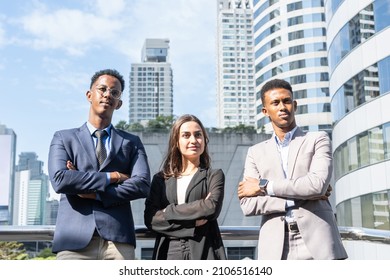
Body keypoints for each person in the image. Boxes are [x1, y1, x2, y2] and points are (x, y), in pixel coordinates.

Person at [238, 79, 347, 260]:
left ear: (294, 105)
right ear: (265, 111)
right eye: (275, 103)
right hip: (276, 247)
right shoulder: (255, 152)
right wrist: (299, 197)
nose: (282, 107)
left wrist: (265, 186)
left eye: (286, 101)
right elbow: (247, 205)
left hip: (319, 242)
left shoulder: (317, 139)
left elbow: (316, 186)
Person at [48, 69, 151, 260]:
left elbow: (142, 184)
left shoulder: (131, 142)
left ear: (119, 103)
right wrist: (114, 177)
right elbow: (61, 180)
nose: (107, 95)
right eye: (102, 89)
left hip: (118, 241)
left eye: (114, 92)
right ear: (89, 95)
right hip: (74, 241)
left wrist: (93, 191)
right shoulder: (64, 138)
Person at [144, 114, 227, 260]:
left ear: (205, 140)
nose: (193, 140)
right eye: (186, 135)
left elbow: (211, 208)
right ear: (176, 141)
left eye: (198, 135)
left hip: (204, 250)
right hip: (169, 252)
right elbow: (151, 219)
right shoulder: (161, 179)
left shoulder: (214, 175)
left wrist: (167, 211)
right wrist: (193, 222)